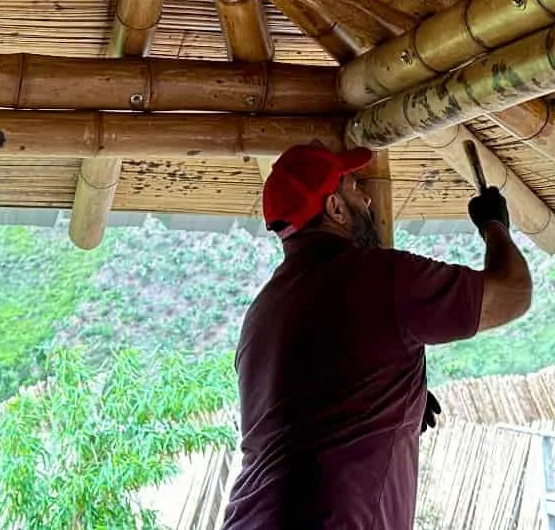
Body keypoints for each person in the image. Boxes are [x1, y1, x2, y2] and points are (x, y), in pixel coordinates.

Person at [221, 143, 533, 529]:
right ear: (335, 208)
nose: (368, 198)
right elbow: (512, 294)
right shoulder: (379, 277)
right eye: (354, 188)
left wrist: (399, 393)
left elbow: (312, 403)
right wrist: (494, 226)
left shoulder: (265, 308)